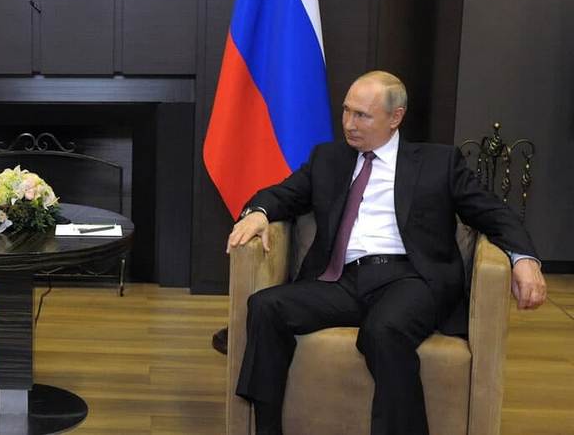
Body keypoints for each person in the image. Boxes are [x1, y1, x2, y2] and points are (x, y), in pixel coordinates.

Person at [226, 71, 547, 435]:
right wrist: (258, 213)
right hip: (341, 279)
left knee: (383, 330)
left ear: (396, 117)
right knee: (265, 307)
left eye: (362, 115)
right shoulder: (328, 158)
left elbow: (493, 213)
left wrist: (524, 260)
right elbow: (282, 194)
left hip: (411, 278)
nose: (349, 124)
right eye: (346, 111)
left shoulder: (439, 162)